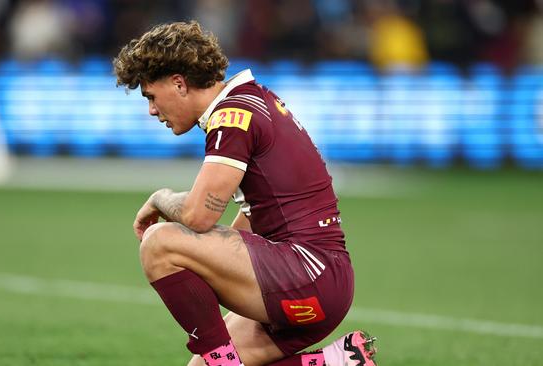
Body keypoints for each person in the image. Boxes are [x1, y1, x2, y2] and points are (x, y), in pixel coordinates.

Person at [113, 21, 377, 366]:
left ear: (179, 82)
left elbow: (198, 216)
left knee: (160, 242)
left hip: (307, 273)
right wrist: (213, 264)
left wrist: (159, 197)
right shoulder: (253, 100)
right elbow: (255, 216)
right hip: (320, 279)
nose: (151, 109)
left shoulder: (232, 115)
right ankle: (338, 362)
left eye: (151, 96)